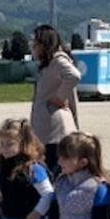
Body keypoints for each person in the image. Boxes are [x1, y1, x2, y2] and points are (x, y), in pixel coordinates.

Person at [30, 24, 81, 174]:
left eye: (36, 43)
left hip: (55, 130)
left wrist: (59, 97)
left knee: (55, 171)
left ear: (45, 44)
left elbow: (74, 75)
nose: (33, 47)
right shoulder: (48, 64)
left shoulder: (58, 60)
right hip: (46, 129)